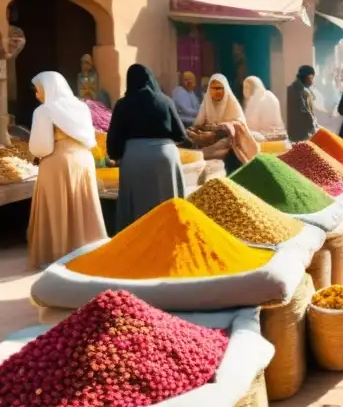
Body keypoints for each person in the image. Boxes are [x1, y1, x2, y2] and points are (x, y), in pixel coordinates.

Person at [27, 71, 105, 268]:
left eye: (39, 90)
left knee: (57, 208)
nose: (37, 95)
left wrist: (34, 159)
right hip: (83, 160)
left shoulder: (44, 111)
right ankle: (86, 252)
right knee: (83, 206)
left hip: (58, 162)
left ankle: (58, 255)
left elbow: (42, 147)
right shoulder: (80, 107)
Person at [106, 64, 187, 232]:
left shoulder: (123, 104)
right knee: (168, 207)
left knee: (137, 213)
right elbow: (181, 135)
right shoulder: (165, 101)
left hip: (135, 159)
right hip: (165, 158)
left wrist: (118, 155)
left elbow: (113, 142)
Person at [190, 74, 257, 168]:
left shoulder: (232, 103)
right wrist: (199, 132)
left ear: (225, 89)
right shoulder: (206, 103)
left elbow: (240, 125)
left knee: (223, 144)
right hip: (209, 139)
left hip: (230, 141)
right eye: (213, 88)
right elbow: (198, 123)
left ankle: (200, 154)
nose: (216, 91)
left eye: (219, 88)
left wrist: (222, 127)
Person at [244, 76, 286, 141]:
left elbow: (249, 125)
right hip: (280, 135)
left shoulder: (254, 99)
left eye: (246, 87)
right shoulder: (271, 95)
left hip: (264, 137)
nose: (244, 91)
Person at [286, 66, 317, 143]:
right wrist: (313, 126)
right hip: (300, 132)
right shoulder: (297, 90)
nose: (312, 81)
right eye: (311, 78)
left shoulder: (304, 89)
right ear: (305, 77)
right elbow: (303, 112)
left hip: (303, 131)